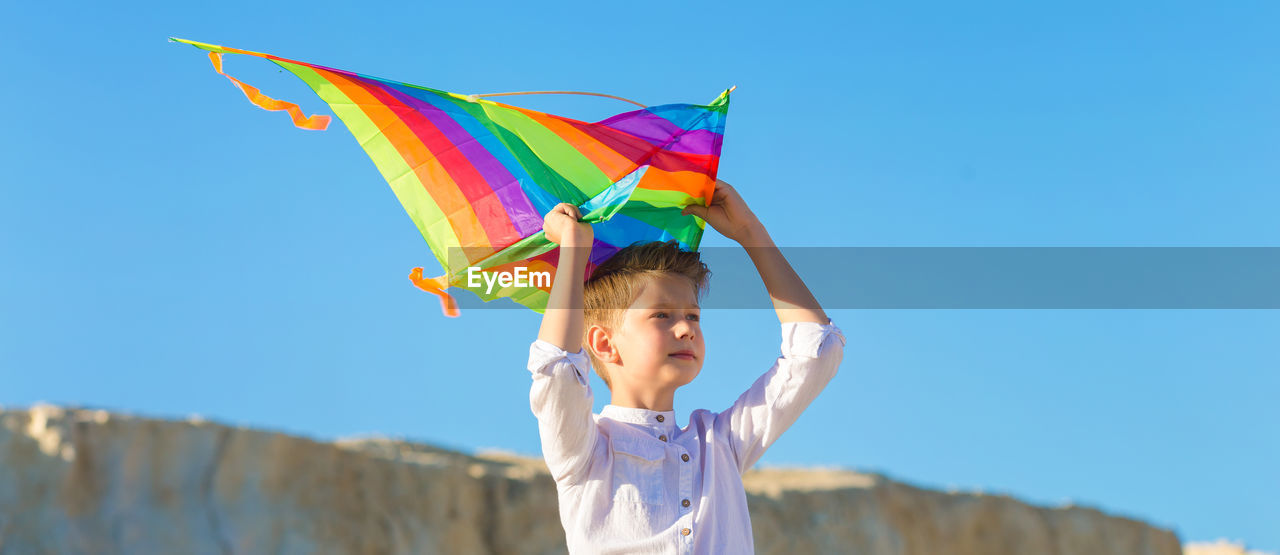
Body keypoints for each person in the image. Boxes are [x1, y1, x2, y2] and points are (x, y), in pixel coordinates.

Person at [528, 180, 846, 554]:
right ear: (603, 344)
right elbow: (557, 369)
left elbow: (816, 351)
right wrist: (573, 250)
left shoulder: (719, 443)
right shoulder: (586, 450)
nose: (686, 329)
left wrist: (750, 234)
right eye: (661, 315)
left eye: (693, 316)